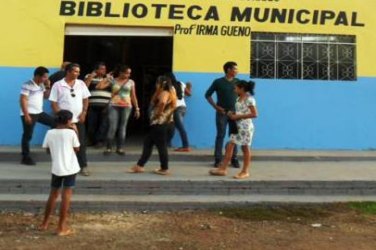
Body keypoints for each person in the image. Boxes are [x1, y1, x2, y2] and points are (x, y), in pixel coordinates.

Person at [39, 110, 80, 236]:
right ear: (68, 121)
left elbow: (47, 150)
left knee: (53, 194)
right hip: (70, 168)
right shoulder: (71, 133)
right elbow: (77, 148)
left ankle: (44, 223)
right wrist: (76, 131)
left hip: (56, 168)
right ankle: (61, 227)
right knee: (66, 196)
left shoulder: (49, 133)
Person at [128, 76, 177, 175]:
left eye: (157, 83)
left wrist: (158, 113)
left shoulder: (165, 93)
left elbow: (162, 102)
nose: (156, 85)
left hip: (160, 125)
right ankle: (139, 166)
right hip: (165, 124)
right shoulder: (171, 92)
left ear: (161, 84)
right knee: (148, 143)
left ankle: (164, 168)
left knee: (161, 147)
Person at [209, 80, 258, 179]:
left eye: (236, 88)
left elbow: (254, 114)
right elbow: (240, 110)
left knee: (245, 148)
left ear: (242, 89)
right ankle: (223, 169)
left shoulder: (249, 99)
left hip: (245, 127)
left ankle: (245, 171)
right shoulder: (239, 99)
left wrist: (238, 116)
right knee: (230, 145)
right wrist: (232, 114)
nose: (234, 89)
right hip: (236, 126)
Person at [49, 63, 91, 176]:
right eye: (75, 71)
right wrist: (61, 118)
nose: (78, 73)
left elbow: (86, 99)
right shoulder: (58, 85)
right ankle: (61, 166)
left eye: (78, 71)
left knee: (80, 143)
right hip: (62, 122)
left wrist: (84, 112)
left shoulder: (81, 84)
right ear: (68, 72)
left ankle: (83, 166)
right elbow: (53, 103)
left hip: (78, 120)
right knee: (62, 143)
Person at [97, 64, 140, 155]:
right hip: (113, 105)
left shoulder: (131, 82)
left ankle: (120, 147)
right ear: (120, 72)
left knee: (123, 127)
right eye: (126, 73)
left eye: (129, 73)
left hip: (127, 106)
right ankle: (109, 147)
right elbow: (99, 87)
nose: (128, 75)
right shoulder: (113, 81)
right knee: (113, 126)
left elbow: (133, 95)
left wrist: (137, 108)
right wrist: (106, 78)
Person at [205, 61, 241, 168]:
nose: (237, 71)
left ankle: (234, 158)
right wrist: (216, 107)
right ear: (228, 70)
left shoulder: (238, 82)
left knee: (234, 136)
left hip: (235, 114)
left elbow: (243, 96)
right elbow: (207, 95)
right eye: (235, 69)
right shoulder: (218, 82)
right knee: (220, 135)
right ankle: (218, 159)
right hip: (222, 112)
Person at [20, 66, 55, 165]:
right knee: (28, 135)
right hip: (29, 113)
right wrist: (26, 115)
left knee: (55, 123)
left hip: (39, 112)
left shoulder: (41, 85)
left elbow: (46, 97)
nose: (46, 79)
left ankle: (49, 146)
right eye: (44, 77)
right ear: (37, 76)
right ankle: (25, 157)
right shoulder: (27, 84)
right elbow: (23, 100)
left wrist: (48, 86)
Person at [84, 62, 111, 147]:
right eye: (102, 69)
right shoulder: (89, 76)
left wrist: (107, 79)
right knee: (91, 123)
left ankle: (100, 141)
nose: (104, 71)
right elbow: (84, 88)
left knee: (103, 124)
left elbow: (114, 91)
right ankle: (91, 140)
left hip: (105, 105)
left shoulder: (109, 78)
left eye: (105, 69)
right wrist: (91, 77)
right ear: (96, 70)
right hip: (92, 104)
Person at [165, 73, 192, 152]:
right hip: (183, 108)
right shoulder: (181, 83)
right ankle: (167, 143)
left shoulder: (170, 87)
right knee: (172, 126)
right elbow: (189, 94)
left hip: (176, 109)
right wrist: (189, 87)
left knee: (180, 128)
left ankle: (186, 146)